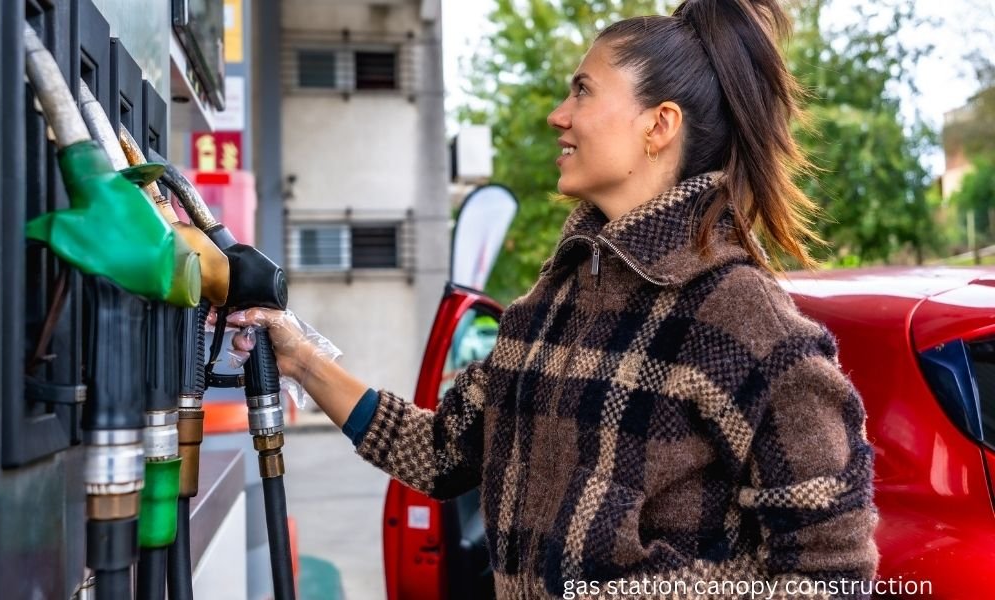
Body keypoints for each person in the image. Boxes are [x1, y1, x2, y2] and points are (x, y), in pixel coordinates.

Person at [229, 0, 878, 597]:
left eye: (582, 91)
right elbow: (440, 451)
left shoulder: (739, 314)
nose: (557, 115)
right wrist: (301, 358)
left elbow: (833, 575)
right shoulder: (546, 306)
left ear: (659, 125)